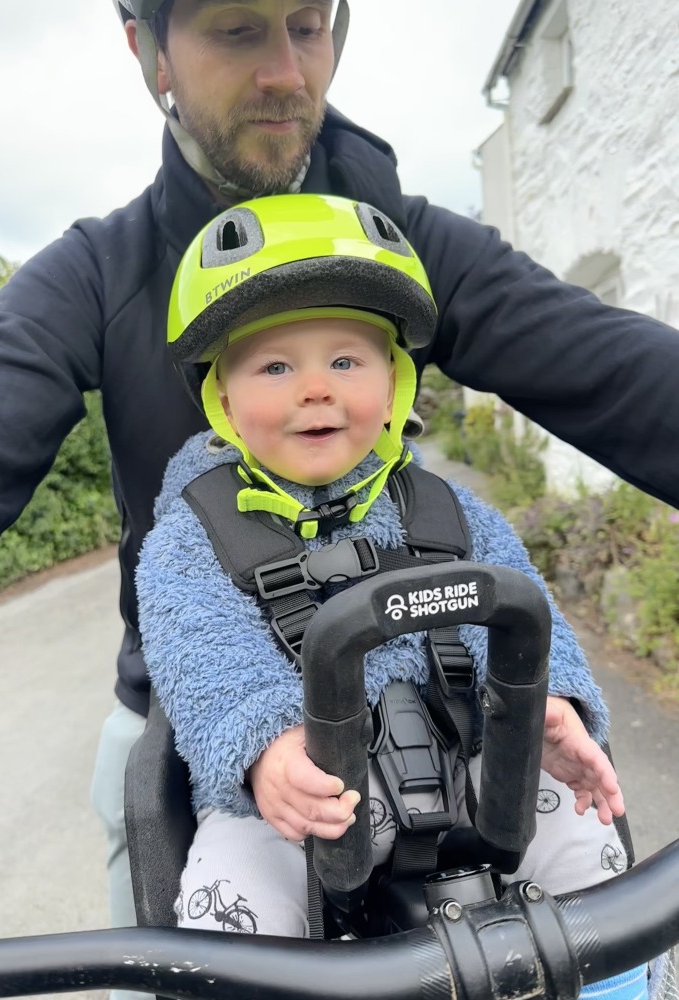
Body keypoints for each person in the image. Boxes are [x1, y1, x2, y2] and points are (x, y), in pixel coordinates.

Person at [0, 0, 678, 945]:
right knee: (180, 939)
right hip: (207, 733)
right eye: (238, 30)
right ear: (149, 50)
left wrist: (551, 698)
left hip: (459, 725)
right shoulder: (96, 272)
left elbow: (616, 369)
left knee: (601, 912)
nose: (286, 70)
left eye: (307, 23)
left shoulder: (407, 248)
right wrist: (254, 740)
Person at [135, 192, 645, 1000]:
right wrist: (266, 747)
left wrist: (550, 706)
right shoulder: (193, 537)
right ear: (223, 398)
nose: (315, 389)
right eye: (275, 366)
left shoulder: (446, 508)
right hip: (302, 796)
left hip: (473, 760)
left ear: (395, 379)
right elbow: (198, 652)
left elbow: (517, 602)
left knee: (592, 856)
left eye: (345, 361)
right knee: (228, 914)